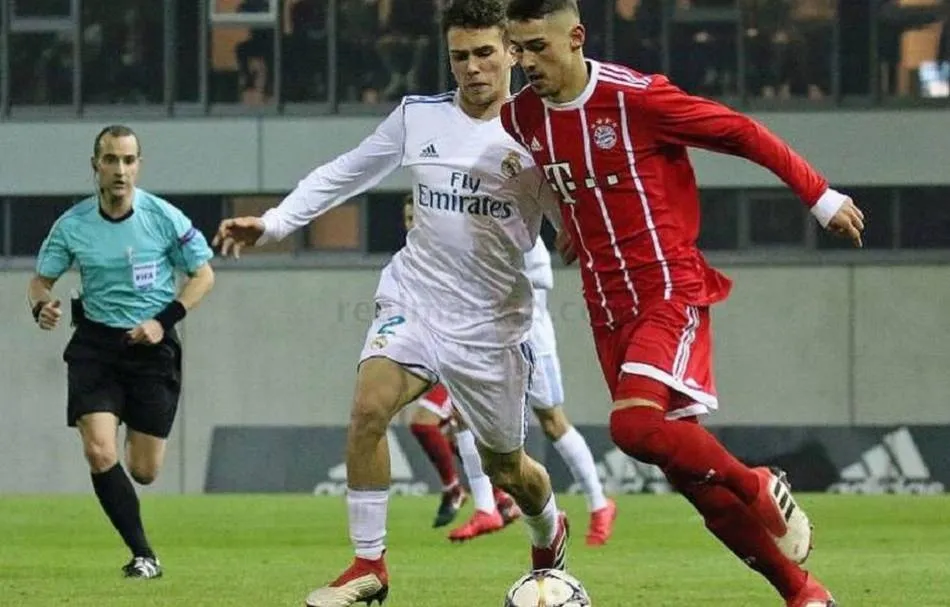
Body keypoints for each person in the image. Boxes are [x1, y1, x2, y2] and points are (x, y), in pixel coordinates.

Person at [501, 1, 866, 606]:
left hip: (667, 289)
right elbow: (557, 178)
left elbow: (741, 132)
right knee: (689, 478)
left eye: (538, 46)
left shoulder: (636, 99)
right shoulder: (522, 117)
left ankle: (757, 481)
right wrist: (572, 220)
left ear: (577, 37)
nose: (527, 61)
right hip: (604, 305)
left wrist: (820, 196)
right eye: (519, 48)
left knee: (634, 426)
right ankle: (803, 592)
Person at [213, 2, 569, 605]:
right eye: (461, 56)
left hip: (491, 325)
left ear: (512, 51)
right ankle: (369, 566)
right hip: (417, 296)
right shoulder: (419, 117)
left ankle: (548, 533)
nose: (473, 68)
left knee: (509, 470)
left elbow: (577, 225)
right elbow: (345, 173)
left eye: (485, 53)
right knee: (369, 407)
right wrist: (275, 224)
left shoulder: (542, 134)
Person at [28, 124, 215, 579]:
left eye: (128, 161)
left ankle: (132, 428)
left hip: (152, 350)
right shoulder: (72, 226)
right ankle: (143, 554)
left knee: (144, 470)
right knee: (98, 452)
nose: (120, 170)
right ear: (95, 166)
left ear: (139, 166)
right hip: (96, 347)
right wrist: (41, 308)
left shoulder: (164, 218)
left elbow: (204, 275)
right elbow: (40, 281)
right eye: (110, 160)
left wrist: (162, 321)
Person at [401, 195, 616, 545]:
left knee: (552, 420)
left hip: (529, 327)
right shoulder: (459, 221)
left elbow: (536, 274)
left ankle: (599, 504)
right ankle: (487, 508)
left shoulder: (514, 207)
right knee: (461, 412)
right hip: (486, 326)